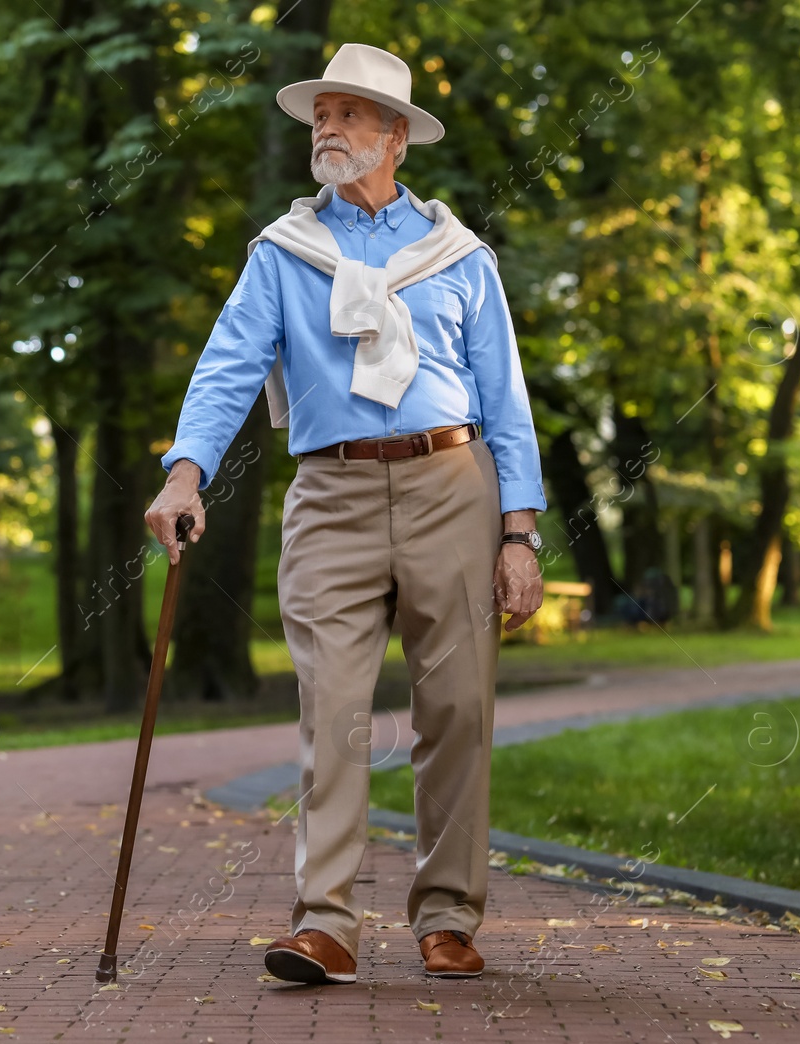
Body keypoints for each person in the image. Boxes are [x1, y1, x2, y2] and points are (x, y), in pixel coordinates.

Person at [144, 43, 548, 983]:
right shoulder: (284, 254)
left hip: (455, 483)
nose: (327, 129)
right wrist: (183, 472)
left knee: (456, 708)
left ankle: (448, 913)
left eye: (349, 115)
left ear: (396, 137)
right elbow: (228, 365)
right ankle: (323, 921)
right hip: (329, 492)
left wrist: (519, 533)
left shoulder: (461, 257)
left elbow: (507, 398)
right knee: (333, 707)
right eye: (321, 115)